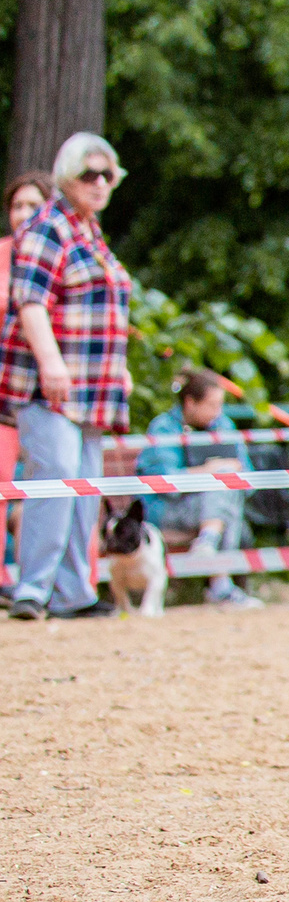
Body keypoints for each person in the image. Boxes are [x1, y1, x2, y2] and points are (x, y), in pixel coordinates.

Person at [1, 135, 133, 620]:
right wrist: (51, 361)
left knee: (84, 488)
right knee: (55, 479)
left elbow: (105, 310)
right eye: (89, 174)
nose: (100, 183)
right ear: (66, 178)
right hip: (49, 385)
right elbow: (30, 302)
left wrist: (121, 371)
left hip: (94, 388)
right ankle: (33, 589)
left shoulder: (89, 230)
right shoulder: (47, 227)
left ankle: (74, 592)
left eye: (108, 175)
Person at [135, 369, 265, 609]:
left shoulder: (223, 425)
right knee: (225, 491)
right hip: (167, 510)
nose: (217, 412)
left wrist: (224, 473)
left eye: (220, 405)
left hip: (212, 506)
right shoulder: (163, 428)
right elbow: (162, 482)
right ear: (190, 402)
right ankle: (220, 584)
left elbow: (248, 479)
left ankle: (209, 540)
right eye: (211, 405)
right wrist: (206, 471)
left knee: (228, 489)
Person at [0, 171, 56, 488]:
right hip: (5, 387)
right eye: (17, 205)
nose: (23, 214)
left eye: (33, 205)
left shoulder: (63, 252)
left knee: (59, 477)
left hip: (52, 391)